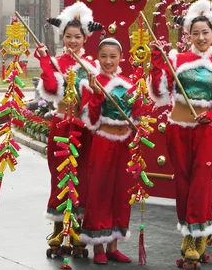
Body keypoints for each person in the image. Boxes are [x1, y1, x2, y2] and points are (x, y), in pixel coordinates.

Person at [148, 0, 212, 262]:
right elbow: (161, 92)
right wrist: (156, 62)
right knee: (183, 181)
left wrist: (210, 115)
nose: (200, 37)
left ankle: (198, 234)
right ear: (189, 34)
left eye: (205, 32)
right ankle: (189, 231)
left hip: (203, 131)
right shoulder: (176, 59)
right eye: (195, 33)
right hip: (177, 129)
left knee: (200, 181)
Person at [34, 2, 102, 253]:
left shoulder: (92, 67)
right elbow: (51, 89)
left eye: (78, 37)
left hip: (83, 129)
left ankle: (76, 227)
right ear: (62, 37)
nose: (73, 41)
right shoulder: (55, 63)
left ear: (85, 39)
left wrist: (95, 89)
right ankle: (57, 227)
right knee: (59, 176)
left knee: (82, 177)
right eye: (68, 36)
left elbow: (97, 102)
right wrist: (44, 63)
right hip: (61, 126)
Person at [79, 38, 135, 265]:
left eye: (113, 56)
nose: (108, 61)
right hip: (102, 143)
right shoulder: (91, 84)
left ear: (121, 58)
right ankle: (98, 247)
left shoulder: (128, 83)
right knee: (100, 193)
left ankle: (114, 246)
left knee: (121, 194)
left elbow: (136, 114)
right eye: (104, 56)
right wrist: (96, 95)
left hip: (124, 144)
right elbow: (91, 121)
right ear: (97, 57)